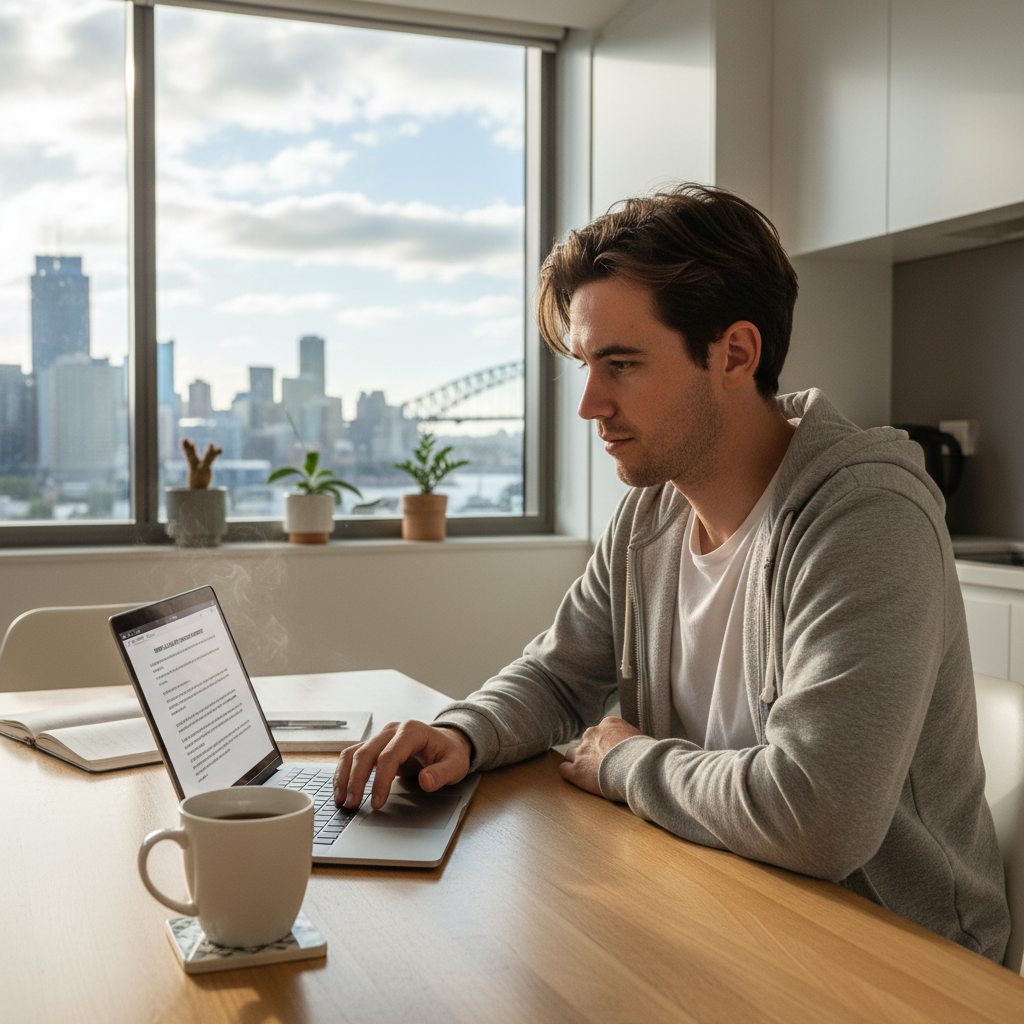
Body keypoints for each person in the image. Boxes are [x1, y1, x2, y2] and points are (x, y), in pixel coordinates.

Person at [333, 183, 1010, 962]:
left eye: (621, 365)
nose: (590, 405)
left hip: (896, 957)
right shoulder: (651, 511)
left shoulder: (864, 516)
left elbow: (818, 815)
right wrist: (464, 731)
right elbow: (559, 678)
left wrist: (624, 760)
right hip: (727, 899)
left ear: (735, 354)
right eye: (588, 365)